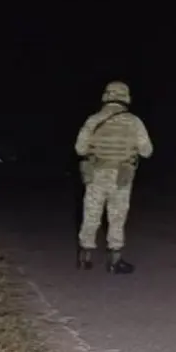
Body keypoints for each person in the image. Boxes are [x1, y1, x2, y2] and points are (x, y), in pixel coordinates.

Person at [75, 81, 152, 274]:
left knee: (91, 214)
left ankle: (85, 257)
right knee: (117, 217)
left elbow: (79, 148)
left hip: (96, 174)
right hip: (121, 176)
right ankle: (114, 261)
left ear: (106, 96)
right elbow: (147, 151)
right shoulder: (134, 121)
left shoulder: (93, 120)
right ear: (126, 97)